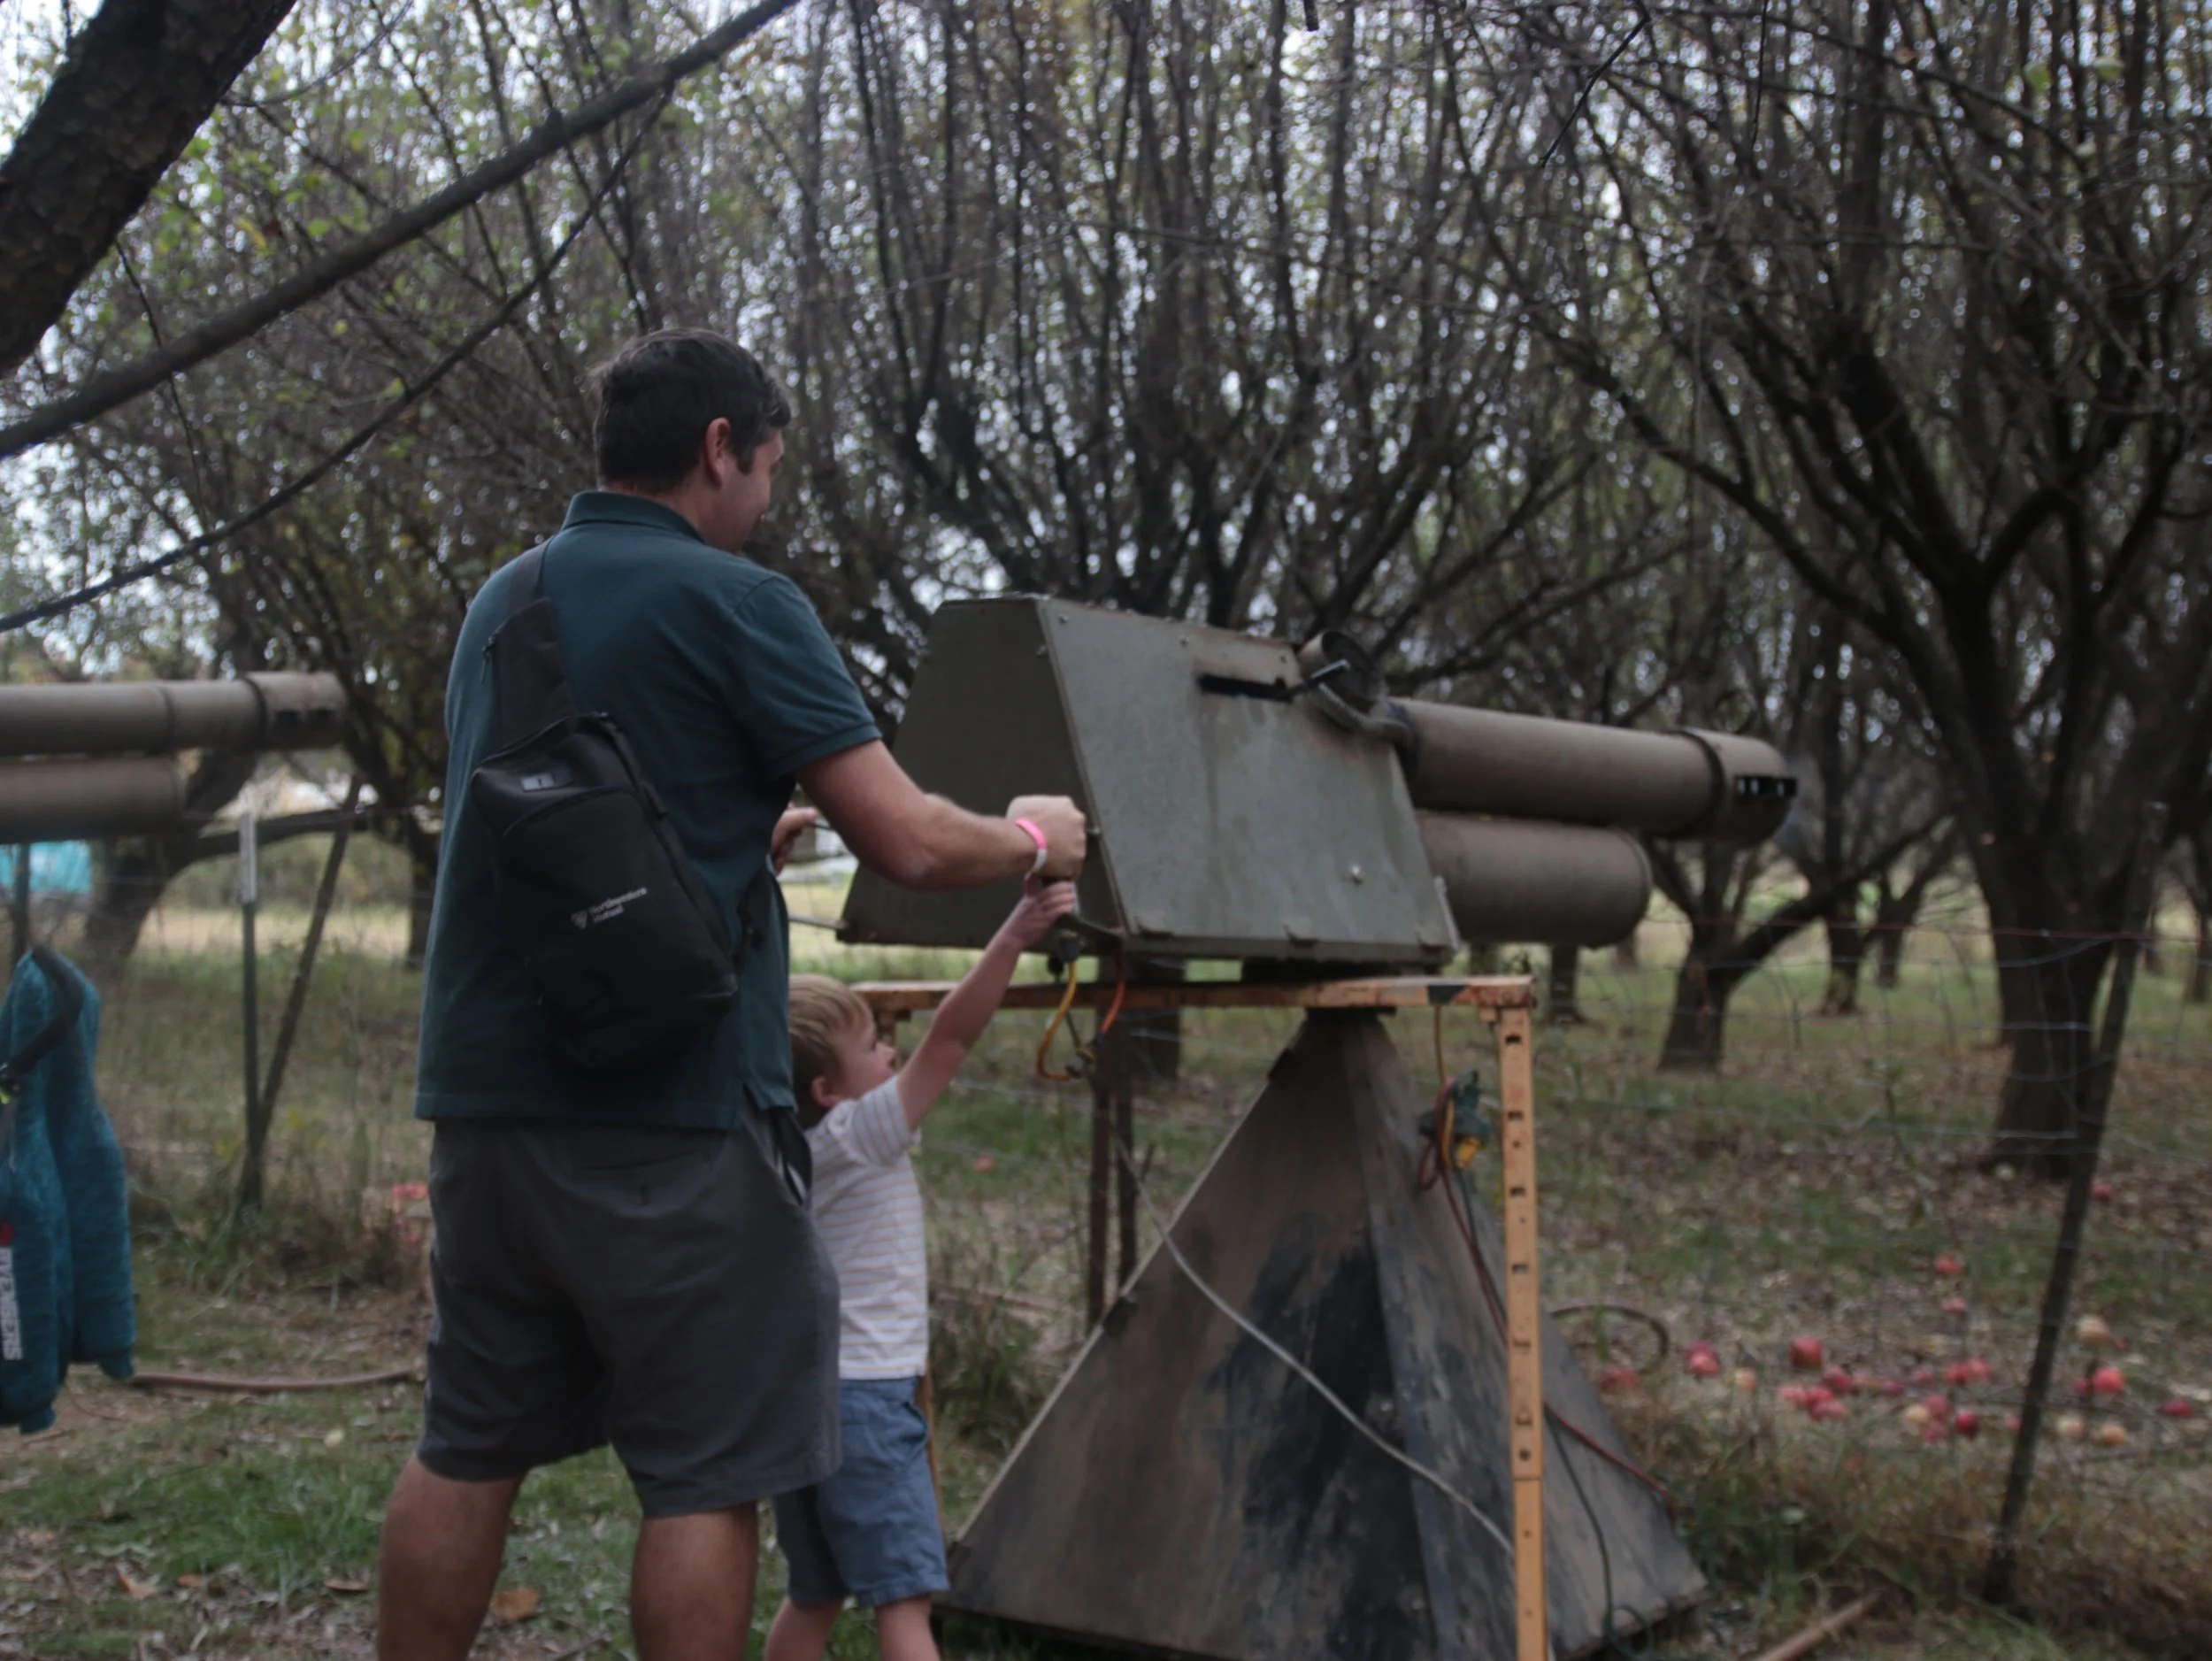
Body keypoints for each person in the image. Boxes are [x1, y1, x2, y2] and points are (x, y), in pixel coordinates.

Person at [375, 327, 1087, 1661]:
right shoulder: (743, 602)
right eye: (767, 466)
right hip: (675, 1117)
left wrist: (734, 845)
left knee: (468, 1441)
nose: (767, 496)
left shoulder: (504, 602)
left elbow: (568, 824)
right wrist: (1038, 839)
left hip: (485, 1106)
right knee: (706, 1473)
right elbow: (915, 842)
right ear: (720, 451)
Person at [764, 877, 1077, 1661]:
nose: (890, 1050)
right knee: (905, 1606)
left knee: (815, 1593)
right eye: (873, 1045)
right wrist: (1013, 935)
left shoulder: (782, 1150)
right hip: (870, 1403)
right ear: (828, 1091)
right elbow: (949, 1038)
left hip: (804, 1402)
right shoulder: (858, 1133)